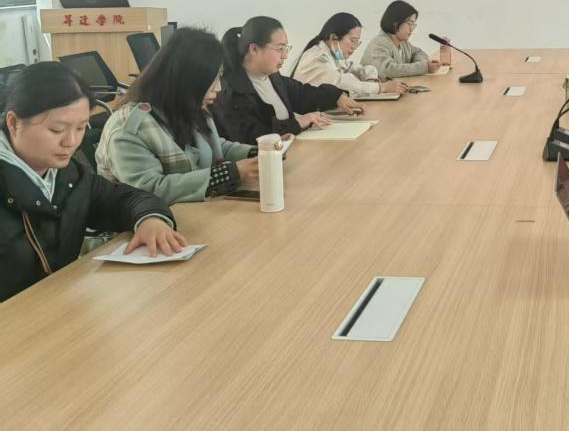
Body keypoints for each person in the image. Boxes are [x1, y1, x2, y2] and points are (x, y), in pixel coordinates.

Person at [1, 63, 184, 302]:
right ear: (13, 122)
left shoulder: (67, 175)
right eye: (57, 130)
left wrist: (150, 219)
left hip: (61, 304)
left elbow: (124, 198)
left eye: (80, 128)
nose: (71, 141)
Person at [96, 28, 260, 205]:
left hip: (196, 210)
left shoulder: (187, 107)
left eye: (219, 77)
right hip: (148, 220)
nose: (219, 88)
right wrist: (227, 175)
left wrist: (260, 153)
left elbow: (215, 146)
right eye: (212, 79)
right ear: (186, 79)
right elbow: (150, 190)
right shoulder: (128, 129)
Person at [213, 16, 362, 144]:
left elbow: (303, 94)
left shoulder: (273, 78)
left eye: (286, 48)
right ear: (254, 49)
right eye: (280, 49)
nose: (285, 56)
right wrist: (297, 123)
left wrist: (337, 97)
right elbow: (251, 136)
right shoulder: (229, 90)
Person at [293, 13, 409, 96]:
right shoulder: (317, 58)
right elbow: (342, 82)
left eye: (357, 42)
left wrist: (371, 79)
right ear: (334, 37)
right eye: (353, 40)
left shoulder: (335, 54)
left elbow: (357, 68)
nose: (355, 47)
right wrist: (381, 87)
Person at [363, 1, 440, 79]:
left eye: (413, 25)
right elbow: (388, 70)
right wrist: (424, 67)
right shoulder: (379, 44)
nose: (412, 29)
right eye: (409, 24)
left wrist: (421, 63)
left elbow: (419, 53)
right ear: (395, 23)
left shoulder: (403, 43)